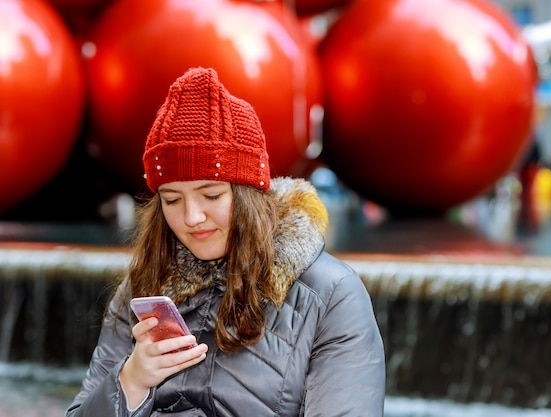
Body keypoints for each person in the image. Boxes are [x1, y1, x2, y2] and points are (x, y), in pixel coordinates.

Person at [66, 67, 386, 417]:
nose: (191, 217)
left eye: (211, 195)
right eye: (172, 200)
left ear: (249, 194)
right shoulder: (141, 286)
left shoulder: (331, 295)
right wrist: (130, 383)